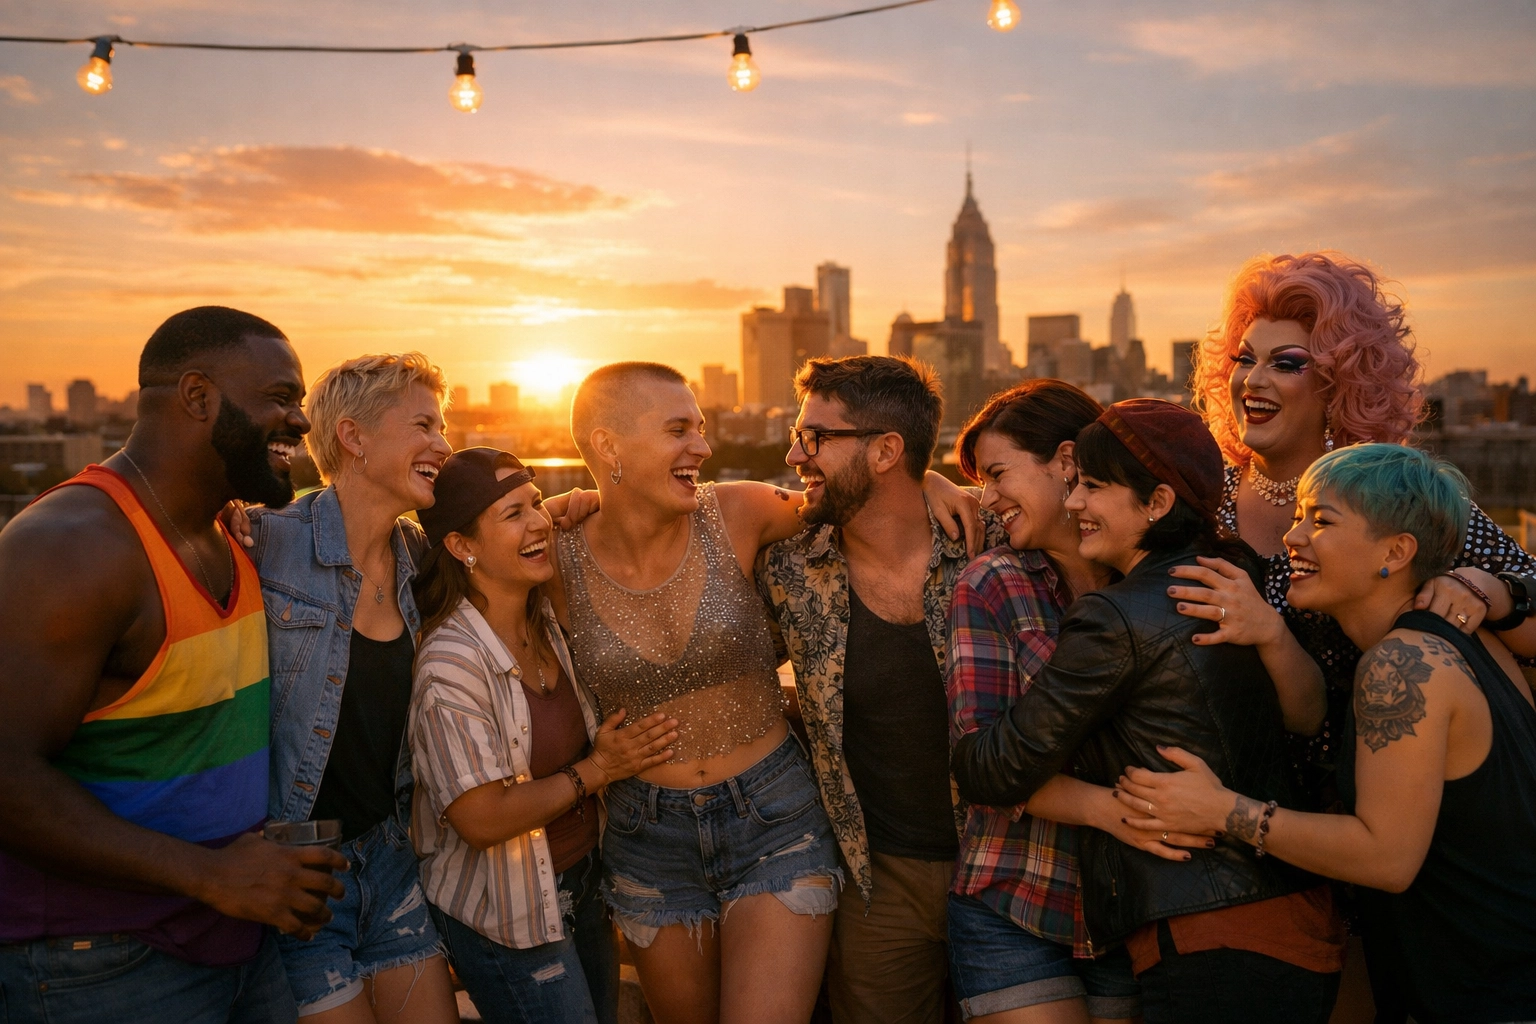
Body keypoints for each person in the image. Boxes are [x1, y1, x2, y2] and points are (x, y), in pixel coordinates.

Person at [551, 360, 980, 1024]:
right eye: (679, 429)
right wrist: (559, 507)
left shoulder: (740, 511)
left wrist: (930, 476)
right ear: (608, 447)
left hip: (774, 817)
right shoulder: (557, 554)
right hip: (646, 834)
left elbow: (856, 489)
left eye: (700, 427)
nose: (702, 446)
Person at [0, 306, 347, 1023]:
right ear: (197, 396)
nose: (301, 422)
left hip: (237, 939)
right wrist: (210, 875)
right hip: (102, 962)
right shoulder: (70, 549)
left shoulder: (223, 527)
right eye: (281, 398)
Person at [1112, 444, 1536, 1024]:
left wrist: (1221, 810)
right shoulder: (1476, 640)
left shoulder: (1398, 664)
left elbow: (1386, 856)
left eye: (1321, 520)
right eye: (1298, 515)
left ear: (1395, 551)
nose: (1293, 538)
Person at [952, 399, 1343, 1024]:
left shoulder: (1121, 613)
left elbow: (990, 770)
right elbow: (1306, 717)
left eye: (1094, 487)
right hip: (1285, 908)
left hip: (1207, 924)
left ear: (1158, 504)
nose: (1078, 503)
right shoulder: (1232, 574)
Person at [1179, 251, 1536, 811]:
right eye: (1245, 358)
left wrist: (1486, 591)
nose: (1254, 378)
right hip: (1213, 824)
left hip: (1366, 830)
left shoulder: (1393, 494)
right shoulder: (1198, 499)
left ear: (1339, 381)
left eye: (1287, 362)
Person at [755, 355, 1010, 1024]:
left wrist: (942, 482)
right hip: (879, 883)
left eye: (815, 438)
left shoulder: (995, 542)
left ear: (887, 451)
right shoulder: (788, 565)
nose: (793, 453)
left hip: (1009, 864)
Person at [947, 379, 1211, 1024]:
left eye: (999, 473)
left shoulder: (1169, 578)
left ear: (1067, 462)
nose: (988, 499)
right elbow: (979, 759)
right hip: (1017, 899)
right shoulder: (994, 583)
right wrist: (1108, 809)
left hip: (1130, 904)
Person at [410, 448, 681, 1024]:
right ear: (462, 547)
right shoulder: (451, 664)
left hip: (583, 886)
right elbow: (481, 819)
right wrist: (598, 770)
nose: (537, 523)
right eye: (513, 514)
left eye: (536, 504)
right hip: (507, 913)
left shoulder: (547, 621)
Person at [245, 353, 459, 1023]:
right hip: (295, 874)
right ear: (353, 437)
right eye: (423, 423)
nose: (443, 444)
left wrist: (574, 508)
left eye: (444, 425)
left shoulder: (420, 559)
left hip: (389, 859)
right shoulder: (263, 543)